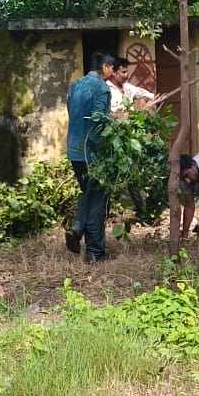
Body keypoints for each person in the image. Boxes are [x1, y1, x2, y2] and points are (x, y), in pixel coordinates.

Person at [66, 51, 117, 262]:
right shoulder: (101, 88)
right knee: (97, 200)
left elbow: (74, 114)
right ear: (104, 67)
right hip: (93, 152)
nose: (113, 73)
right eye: (112, 68)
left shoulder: (75, 86)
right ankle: (95, 252)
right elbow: (98, 118)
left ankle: (78, 228)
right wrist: (117, 119)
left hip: (74, 150)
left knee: (88, 193)